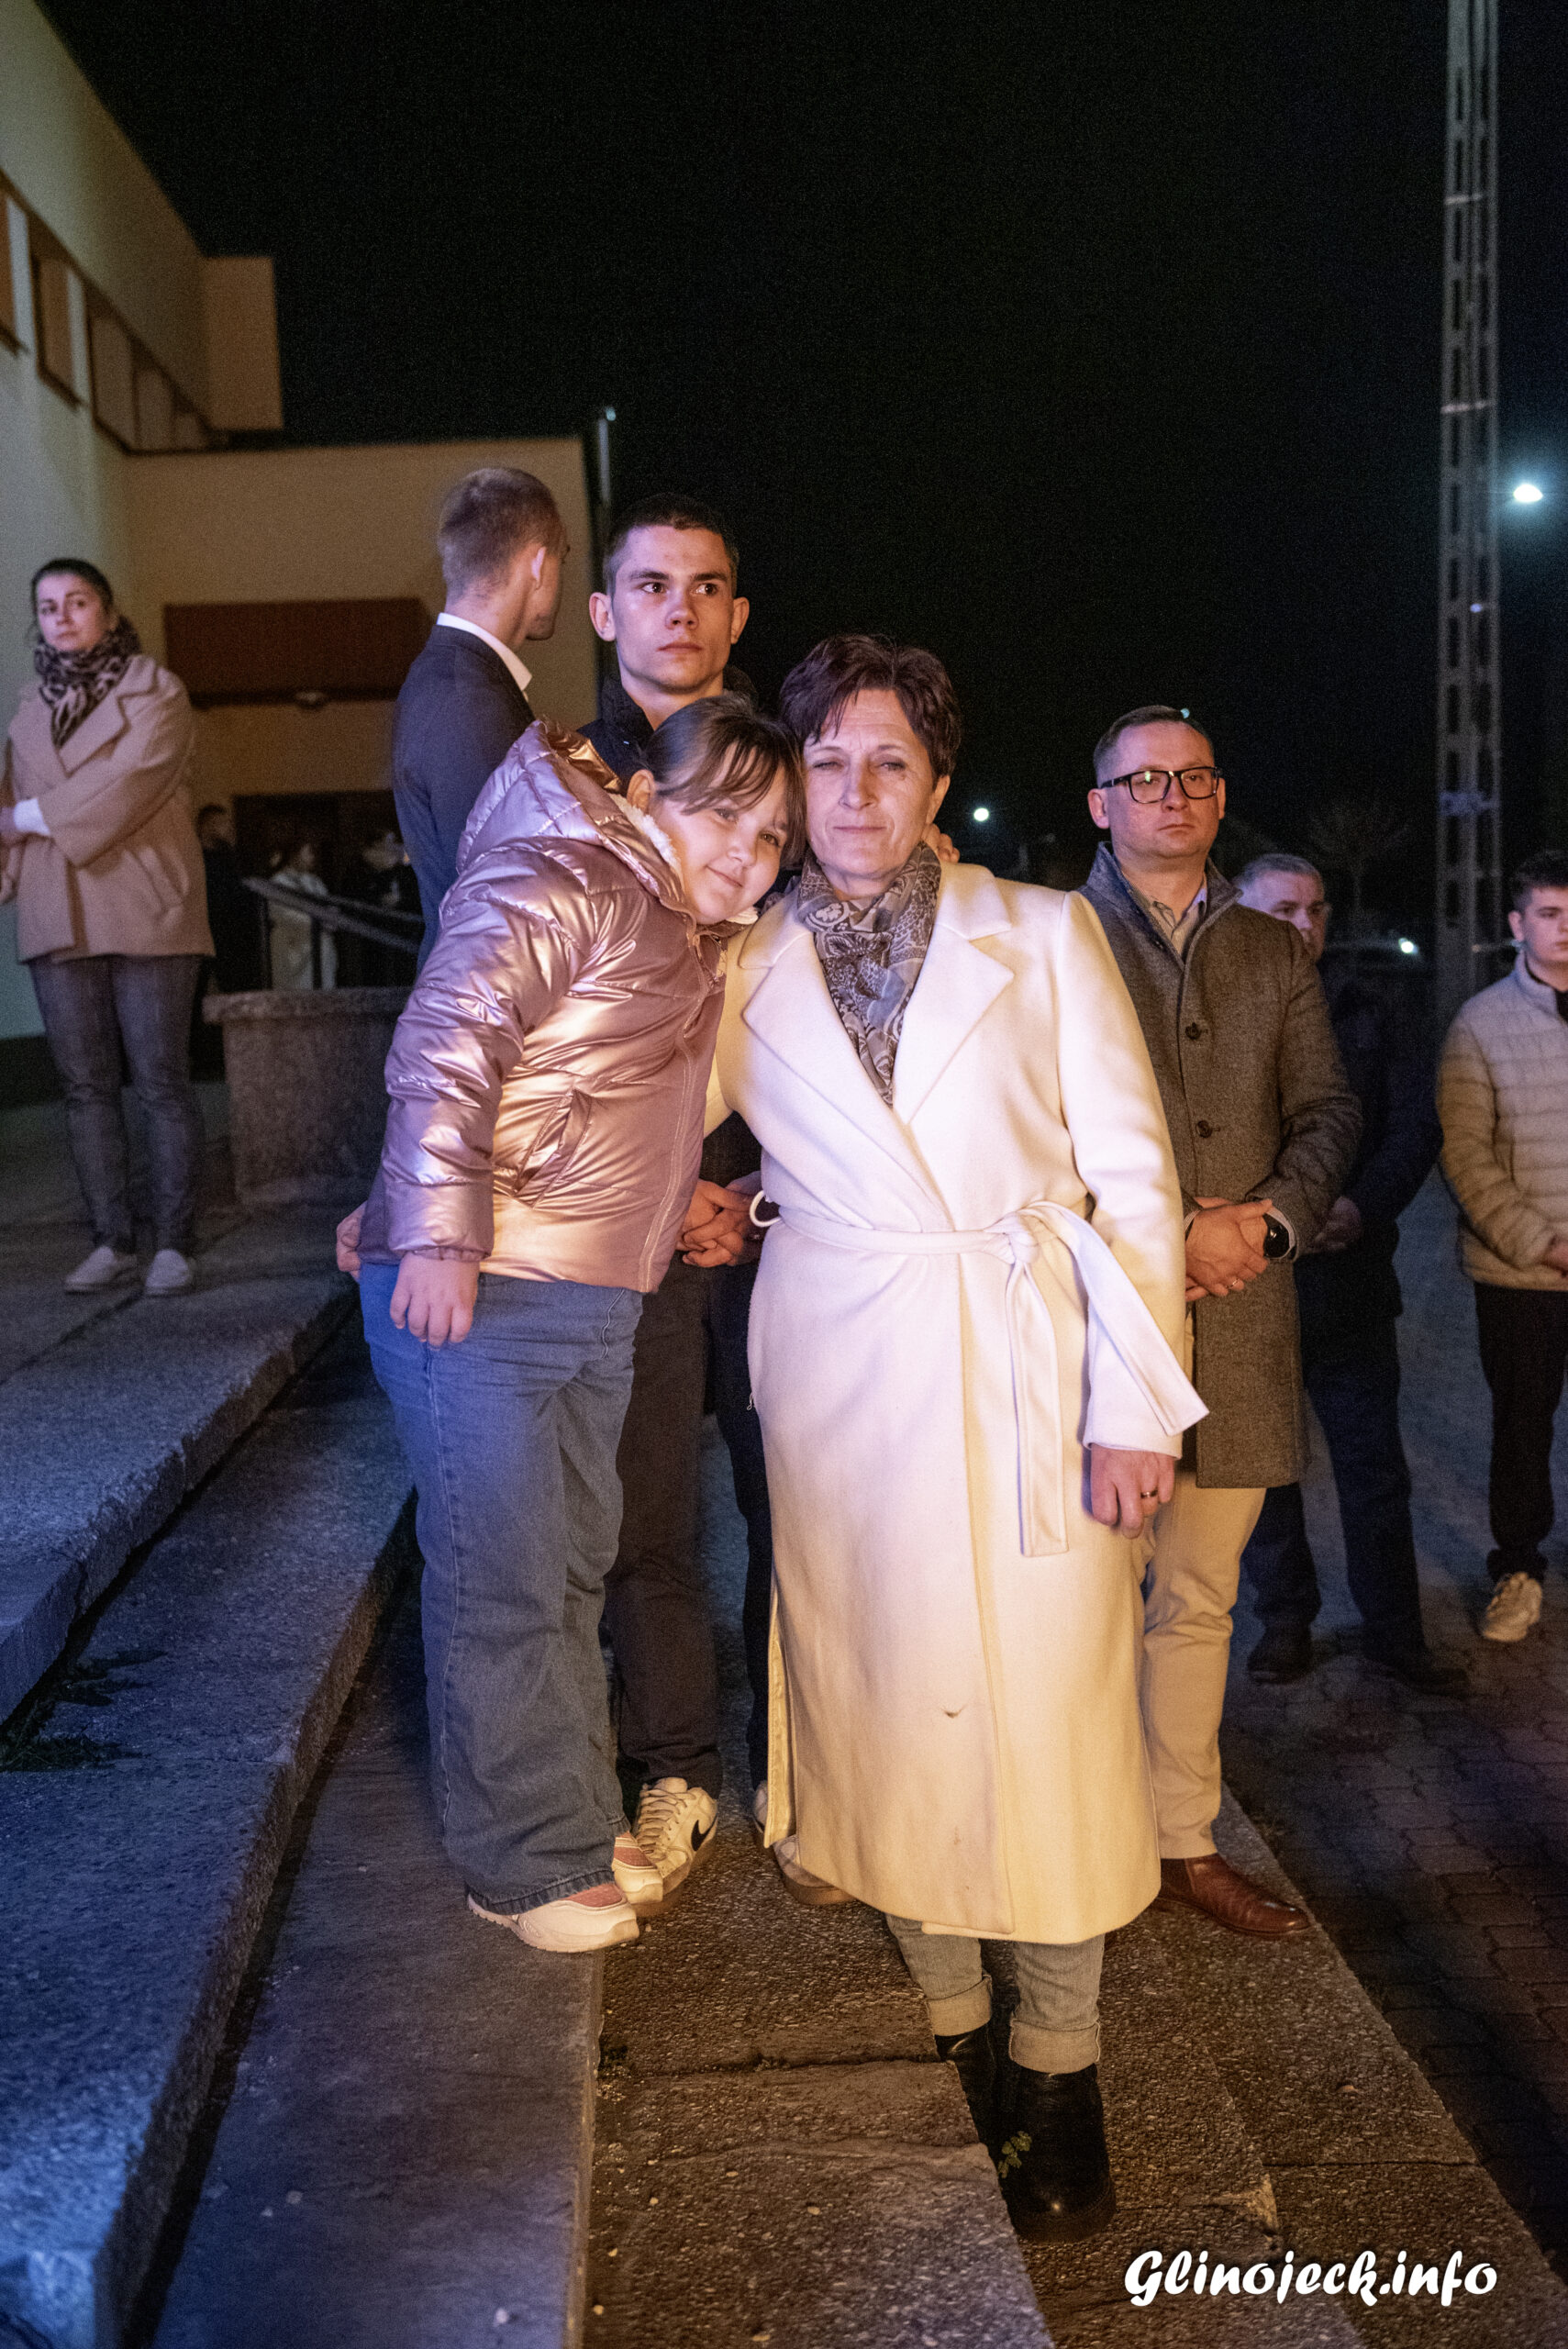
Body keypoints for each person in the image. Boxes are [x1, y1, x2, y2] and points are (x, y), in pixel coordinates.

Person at [712, 635, 1206, 2241]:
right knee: (879, 1712)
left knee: (1053, 1719)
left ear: (936, 786)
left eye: (890, 763)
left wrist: (1135, 1404)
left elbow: (1134, 1183)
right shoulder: (736, 959)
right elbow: (615, 1114)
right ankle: (951, 2025)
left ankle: (1058, 2065)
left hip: (1026, 1362)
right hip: (838, 1381)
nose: (855, 793)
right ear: (790, 780)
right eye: (827, 763)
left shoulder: (1043, 932)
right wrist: (434, 1190)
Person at [349, 698, 801, 1954]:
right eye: (723, 813)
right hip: (486, 1285)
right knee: (502, 1574)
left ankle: (568, 1817)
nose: (748, 853)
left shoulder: (681, 926)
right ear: (649, 795)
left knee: (564, 1566)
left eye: (772, 835)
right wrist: (432, 1230)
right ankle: (521, 1861)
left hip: (593, 1296)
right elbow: (448, 1040)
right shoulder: (566, 874)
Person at [1080, 708, 1360, 1941]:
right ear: (1100, 805)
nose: (1173, 795)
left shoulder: (1268, 948)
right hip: (1099, 1318)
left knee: (1198, 1598)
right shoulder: (1054, 937)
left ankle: (1180, 1838)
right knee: (1086, 1597)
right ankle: (1080, 1836)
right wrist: (1161, 1237)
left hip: (1244, 1312)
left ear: (1219, 796)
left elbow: (1327, 1112)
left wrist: (1269, 1224)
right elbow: (1024, 1128)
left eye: (1193, 777)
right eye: (1144, 779)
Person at [581, 496, 774, 1889]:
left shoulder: (794, 770)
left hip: (772, 1215)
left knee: (795, 1509)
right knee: (644, 1515)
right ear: (605, 611)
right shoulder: (568, 782)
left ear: (736, 613)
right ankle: (676, 1772)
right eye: (650, 584)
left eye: (705, 586)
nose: (679, 609)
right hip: (628, 1225)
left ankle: (809, 1767)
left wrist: (752, 1188)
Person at [1234, 855, 1459, 1693]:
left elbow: (1414, 1125)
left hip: (1351, 1282)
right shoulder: (1213, 1011)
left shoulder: (1369, 1008)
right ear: (1239, 915)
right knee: (1265, 1471)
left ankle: (1394, 1634)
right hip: (1252, 1283)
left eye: (1316, 909)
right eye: (1283, 910)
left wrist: (1361, 1208)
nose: (1305, 925)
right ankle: (1283, 1624)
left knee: (1373, 1473)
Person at [1, 559, 211, 1297]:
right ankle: (110, 1239)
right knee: (84, 1087)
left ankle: (174, 1243)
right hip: (55, 907)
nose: (61, 617)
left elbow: (125, 783)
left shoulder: (158, 692)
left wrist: (26, 818)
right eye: (48, 606)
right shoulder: (29, 708)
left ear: (111, 613)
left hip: (146, 903)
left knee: (159, 1080)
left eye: (78, 601)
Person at [1438, 848, 1568, 1642]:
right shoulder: (1479, 1024)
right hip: (1521, 1276)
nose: (1564, 929)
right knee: (1522, 1427)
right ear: (1518, 924)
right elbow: (1464, 1153)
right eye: (1549, 914)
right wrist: (1542, 1243)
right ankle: (1516, 1569)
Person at [393, 467, 563, 963]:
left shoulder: (453, 678)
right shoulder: (468, 697)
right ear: (538, 564)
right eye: (564, 557)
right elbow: (502, 900)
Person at [267, 840, 335, 990]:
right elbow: (283, 914)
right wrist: (319, 921)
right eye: (308, 853)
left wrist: (330, 919)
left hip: (320, 948)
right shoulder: (279, 882)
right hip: (293, 948)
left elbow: (329, 907)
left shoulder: (315, 882)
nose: (312, 858)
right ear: (294, 855)